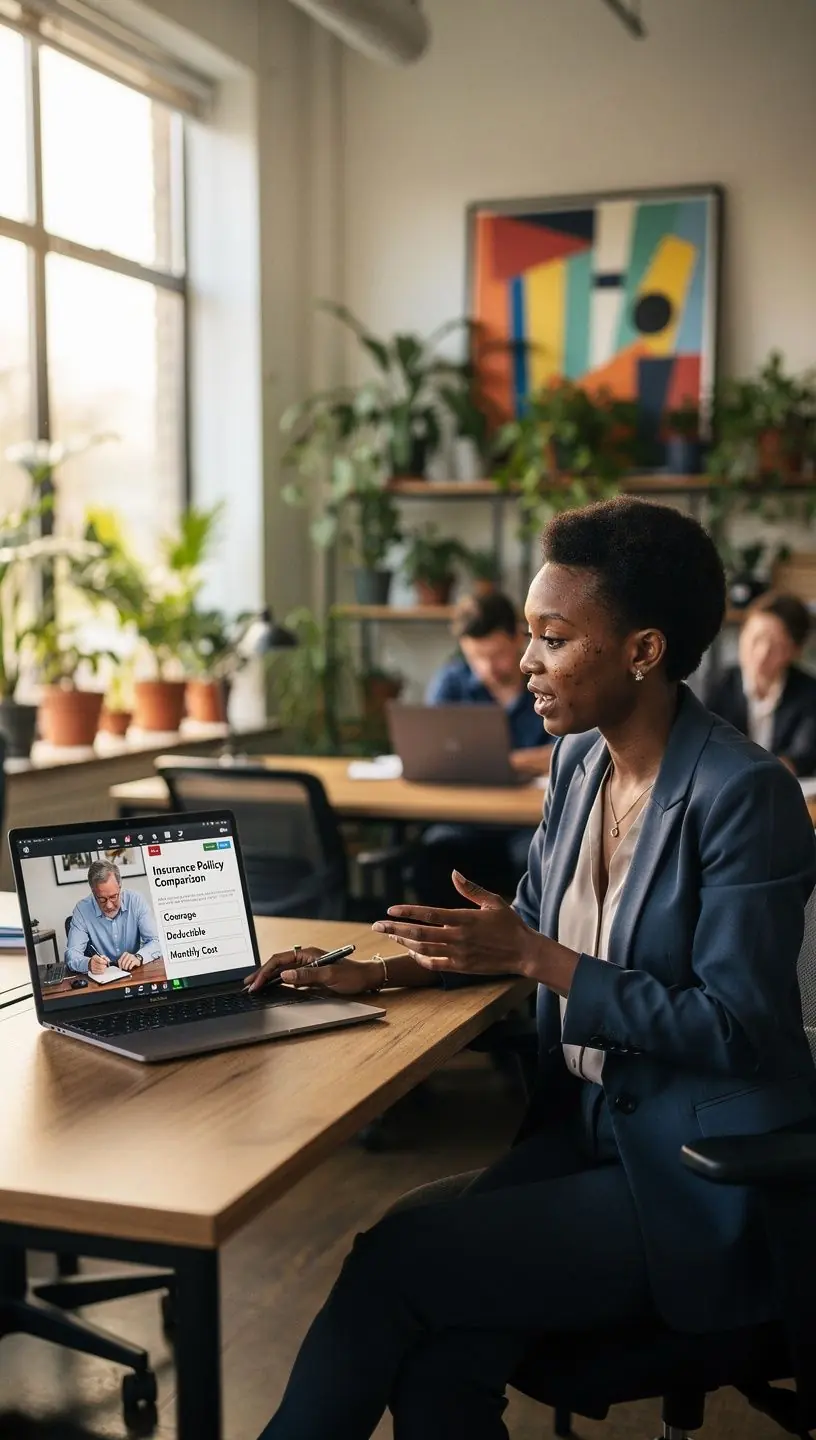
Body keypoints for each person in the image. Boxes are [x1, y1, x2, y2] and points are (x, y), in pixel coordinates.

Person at [248, 496, 816, 1440]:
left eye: (554, 639)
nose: (525, 664)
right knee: (441, 1348)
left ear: (642, 650)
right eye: (528, 635)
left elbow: (737, 1025)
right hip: (587, 1137)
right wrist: (377, 974)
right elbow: (517, 933)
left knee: (396, 1263)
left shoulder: (742, 793)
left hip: (698, 1180)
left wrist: (538, 955)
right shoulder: (580, 768)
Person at [414, 590, 553, 906]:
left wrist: (500, 761)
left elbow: (569, 753)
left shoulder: (547, 682)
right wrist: (521, 762)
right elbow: (433, 752)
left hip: (527, 822)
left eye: (496, 655)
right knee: (435, 856)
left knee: (540, 859)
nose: (487, 669)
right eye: (475, 657)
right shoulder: (451, 682)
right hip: (464, 818)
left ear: (519, 637)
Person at [705, 590, 816, 775]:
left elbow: (803, 757)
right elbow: (703, 748)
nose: (762, 654)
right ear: (742, 635)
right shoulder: (716, 684)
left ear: (795, 651)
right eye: (756, 639)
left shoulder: (809, 693)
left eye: (777, 645)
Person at [65, 860, 160, 976]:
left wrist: (139, 957)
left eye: (113, 897)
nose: (109, 905)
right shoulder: (82, 910)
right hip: (101, 978)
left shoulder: (136, 901)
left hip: (134, 973)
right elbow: (71, 954)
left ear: (120, 887)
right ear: (93, 892)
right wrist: (88, 963)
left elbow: (156, 941)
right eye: (102, 899)